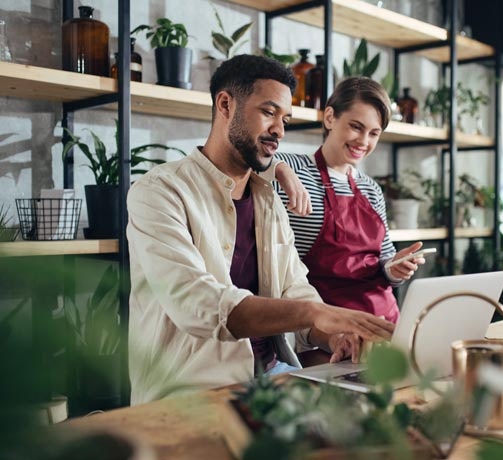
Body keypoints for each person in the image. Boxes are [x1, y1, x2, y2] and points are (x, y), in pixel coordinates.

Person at [126, 55, 394, 405]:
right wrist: (318, 313)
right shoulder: (159, 192)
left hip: (273, 380)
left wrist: (333, 336)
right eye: (269, 113)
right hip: (191, 396)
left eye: (285, 119)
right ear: (225, 104)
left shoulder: (268, 200)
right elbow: (197, 303)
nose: (280, 131)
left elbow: (295, 289)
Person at [270, 77, 428, 323]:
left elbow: (383, 264)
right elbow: (246, 161)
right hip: (326, 326)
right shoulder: (294, 170)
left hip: (384, 320)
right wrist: (279, 169)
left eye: (374, 133)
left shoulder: (371, 189)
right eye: (356, 127)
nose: (363, 142)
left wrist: (395, 268)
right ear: (330, 117)